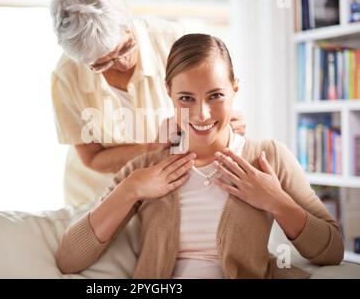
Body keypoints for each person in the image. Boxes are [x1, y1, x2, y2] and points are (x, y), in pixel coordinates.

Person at [55, 33, 344, 279]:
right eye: (186, 98)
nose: (201, 113)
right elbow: (70, 258)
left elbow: (332, 251)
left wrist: (277, 202)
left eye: (215, 95)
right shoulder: (145, 168)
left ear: (235, 89)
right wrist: (130, 189)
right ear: (169, 94)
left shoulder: (268, 156)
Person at [49, 0, 246, 208]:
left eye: (126, 47)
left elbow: (208, 96)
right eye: (103, 63)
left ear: (128, 23)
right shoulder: (65, 77)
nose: (121, 63)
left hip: (167, 194)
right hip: (95, 196)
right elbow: (92, 158)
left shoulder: (172, 41)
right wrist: (155, 147)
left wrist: (224, 118)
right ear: (84, 61)